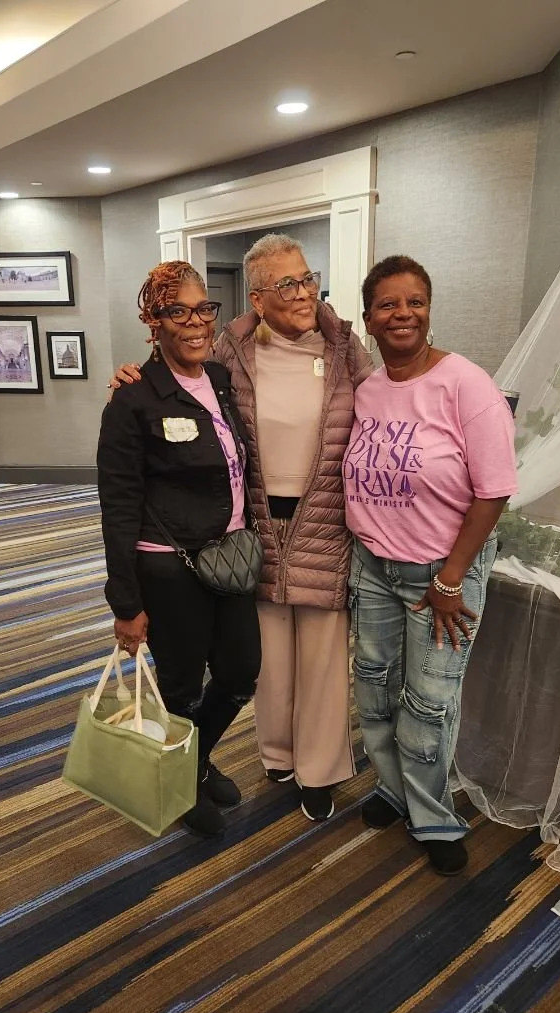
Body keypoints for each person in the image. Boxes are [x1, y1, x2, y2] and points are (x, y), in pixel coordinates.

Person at [110, 234, 374, 822]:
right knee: (256, 663)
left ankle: (316, 769)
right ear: (256, 299)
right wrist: (133, 372)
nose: (304, 291)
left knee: (300, 662)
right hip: (240, 536)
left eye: (309, 279)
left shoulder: (339, 350)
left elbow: (383, 403)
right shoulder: (232, 357)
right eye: (288, 283)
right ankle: (256, 760)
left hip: (321, 522)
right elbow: (124, 490)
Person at [344, 255, 518, 875]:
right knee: (373, 690)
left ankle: (435, 817)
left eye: (414, 301)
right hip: (373, 567)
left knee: (426, 705)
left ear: (429, 309)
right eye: (388, 304)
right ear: (369, 318)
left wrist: (450, 578)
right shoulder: (368, 389)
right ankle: (396, 790)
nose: (402, 314)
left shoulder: (467, 384)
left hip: (442, 576)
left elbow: (494, 489)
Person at [97, 260, 261, 838]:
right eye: (178, 311)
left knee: (242, 673)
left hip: (228, 560)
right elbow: (117, 506)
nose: (195, 322)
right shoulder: (134, 401)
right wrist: (125, 602)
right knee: (184, 687)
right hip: (169, 568)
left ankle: (193, 759)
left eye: (203, 308)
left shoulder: (217, 379)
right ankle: (185, 782)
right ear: (155, 321)